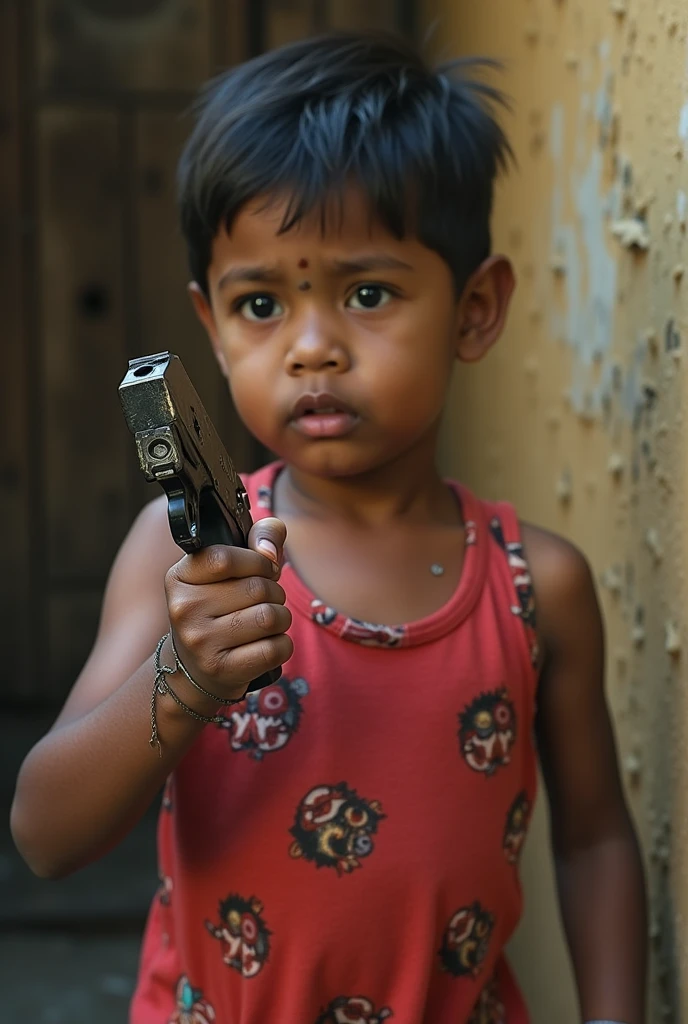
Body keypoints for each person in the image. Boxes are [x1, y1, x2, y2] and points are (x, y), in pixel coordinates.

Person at [11, 31, 646, 1024]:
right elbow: (46, 835)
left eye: (366, 293)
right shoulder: (189, 560)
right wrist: (183, 677)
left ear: (474, 309)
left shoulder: (536, 587)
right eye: (260, 303)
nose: (311, 347)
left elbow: (595, 836)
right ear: (212, 327)